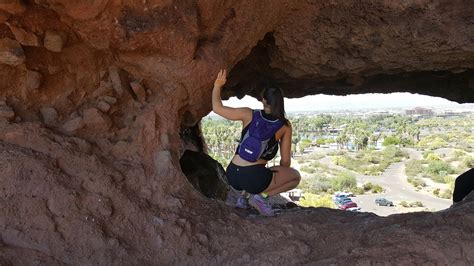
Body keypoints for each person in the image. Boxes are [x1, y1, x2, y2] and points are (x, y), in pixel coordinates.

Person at [212, 69, 301, 216]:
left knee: (255, 172)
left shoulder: (248, 114)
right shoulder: (284, 126)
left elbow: (217, 108)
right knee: (295, 177)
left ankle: (242, 198)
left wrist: (217, 85)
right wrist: (275, 172)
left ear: (263, 100)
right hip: (253, 178)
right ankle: (261, 197)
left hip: (233, 174)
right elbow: (285, 161)